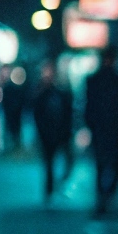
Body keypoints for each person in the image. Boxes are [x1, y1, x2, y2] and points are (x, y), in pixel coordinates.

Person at [83, 47, 118, 215]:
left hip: (110, 130)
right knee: (105, 165)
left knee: (113, 166)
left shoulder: (114, 80)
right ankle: (103, 198)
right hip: (105, 130)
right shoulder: (101, 80)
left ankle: (105, 197)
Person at [30, 60, 74, 201]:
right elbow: (37, 114)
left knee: (67, 160)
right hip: (47, 134)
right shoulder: (41, 94)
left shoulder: (60, 92)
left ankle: (56, 185)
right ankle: (49, 189)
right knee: (49, 163)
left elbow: (68, 113)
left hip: (61, 133)